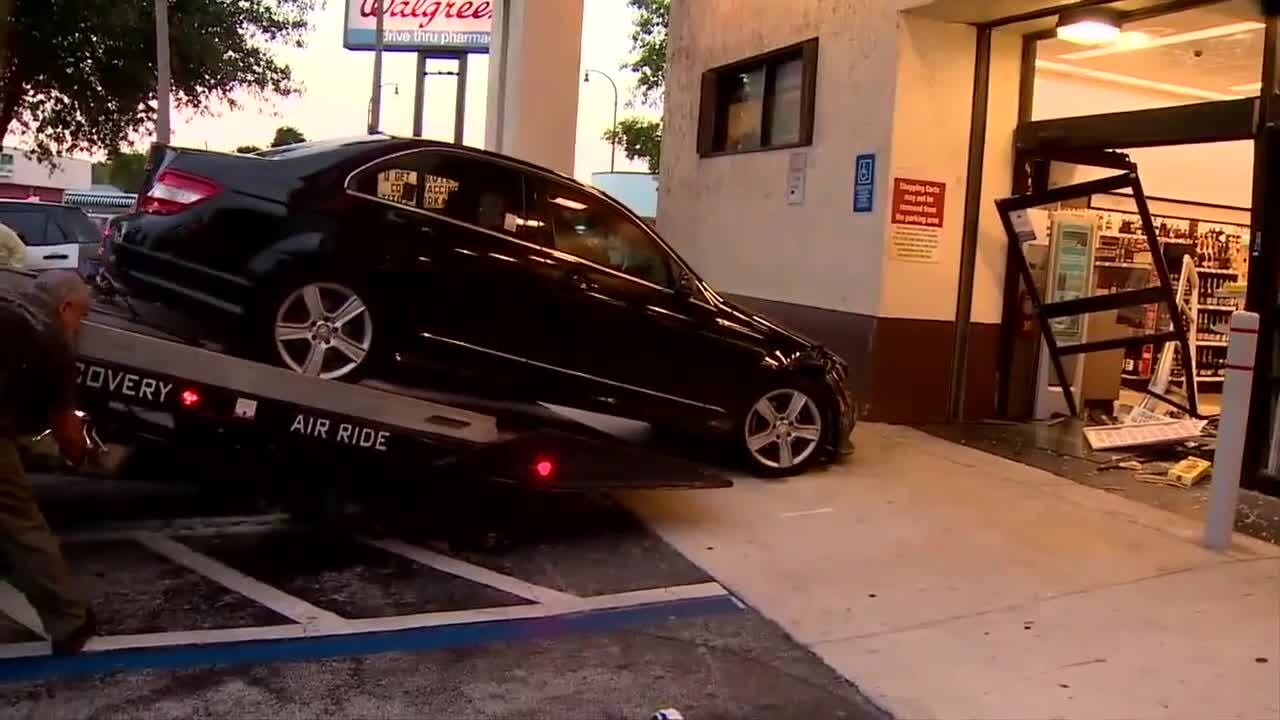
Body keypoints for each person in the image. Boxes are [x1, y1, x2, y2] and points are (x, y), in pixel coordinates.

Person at [0, 269, 96, 654]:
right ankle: (71, 620)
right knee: (22, 525)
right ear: (65, 306)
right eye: (83, 316)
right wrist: (80, 459)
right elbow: (66, 428)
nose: (81, 326)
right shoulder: (52, 338)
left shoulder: (9, 293)